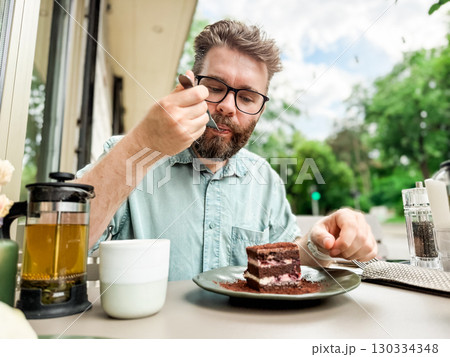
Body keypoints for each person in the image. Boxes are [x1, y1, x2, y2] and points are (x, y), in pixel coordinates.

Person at [77, 20, 377, 281]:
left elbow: (278, 267)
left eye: (247, 98)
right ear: (189, 85)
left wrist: (317, 244)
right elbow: (64, 241)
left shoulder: (266, 181)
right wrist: (144, 142)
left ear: (260, 110)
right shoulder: (127, 154)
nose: (227, 107)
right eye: (216, 87)